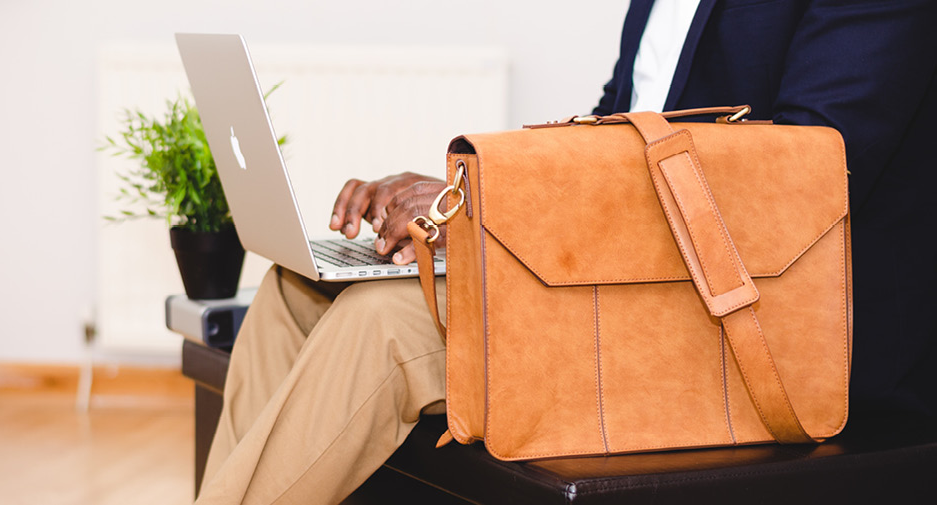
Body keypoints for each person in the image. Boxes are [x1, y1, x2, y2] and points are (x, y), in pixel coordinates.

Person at [196, 1, 937, 503]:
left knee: (383, 326)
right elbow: (616, 134)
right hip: (641, 283)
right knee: (292, 291)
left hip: (757, 324)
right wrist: (468, 200)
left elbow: (792, 183)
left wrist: (491, 205)